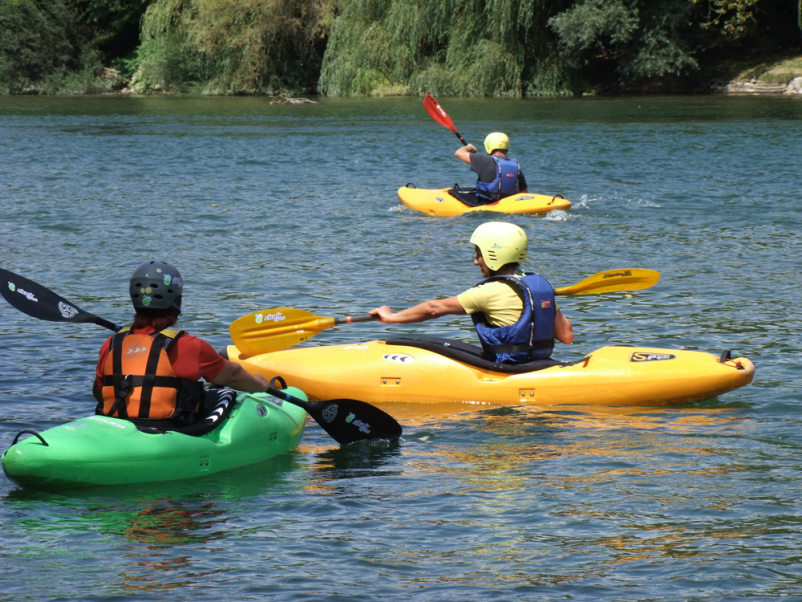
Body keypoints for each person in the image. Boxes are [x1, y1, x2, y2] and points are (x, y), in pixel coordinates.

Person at [92, 260, 271, 435]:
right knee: (222, 393)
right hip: (167, 430)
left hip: (117, 427)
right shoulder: (189, 345)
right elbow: (233, 376)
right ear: (177, 301)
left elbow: (100, 393)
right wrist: (259, 385)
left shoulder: (111, 344)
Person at [369, 222, 573, 364]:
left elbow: (433, 308)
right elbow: (566, 336)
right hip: (539, 362)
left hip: (510, 368)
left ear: (494, 255)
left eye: (479, 255)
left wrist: (391, 317)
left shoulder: (488, 292)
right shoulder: (540, 287)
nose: (476, 261)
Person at [455, 132, 528, 202]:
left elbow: (459, 153)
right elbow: (524, 193)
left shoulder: (484, 160)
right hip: (509, 205)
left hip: (487, 205)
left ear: (488, 146)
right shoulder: (515, 165)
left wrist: (469, 147)